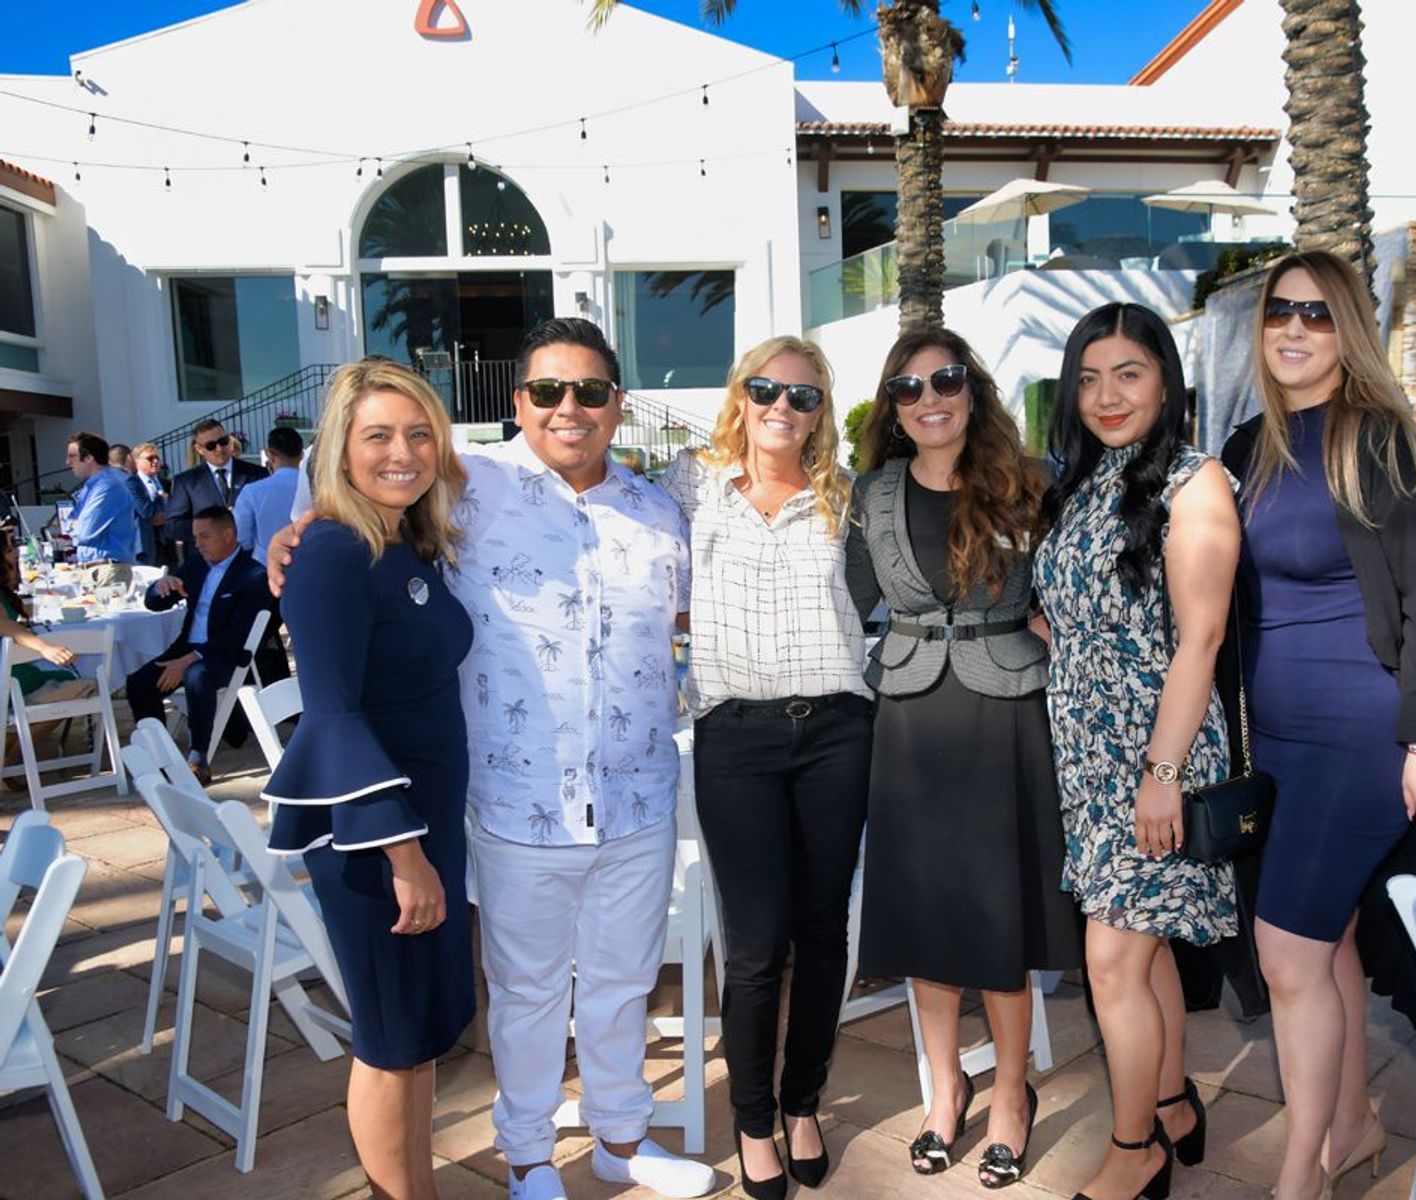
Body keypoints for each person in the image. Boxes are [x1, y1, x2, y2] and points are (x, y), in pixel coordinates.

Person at [272, 318, 711, 1200]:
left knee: (625, 981)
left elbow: (692, 619)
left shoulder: (659, 510)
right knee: (525, 990)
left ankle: (622, 1139)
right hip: (517, 800)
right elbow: (356, 496)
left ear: (618, 403)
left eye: (590, 390)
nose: (568, 408)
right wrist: (297, 531)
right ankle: (530, 1157)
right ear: (519, 402)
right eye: (547, 390)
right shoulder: (467, 488)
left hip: (637, 795)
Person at [1220, 250, 1416, 1200]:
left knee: (1286, 952)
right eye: (1281, 311)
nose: (1294, 328)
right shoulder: (1249, 446)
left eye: (1318, 314)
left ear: (1349, 328)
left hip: (1362, 732)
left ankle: (1299, 1179)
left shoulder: (1381, 441)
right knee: (1330, 940)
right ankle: (1354, 1123)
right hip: (1277, 738)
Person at [846, 328, 1082, 1189]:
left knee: (999, 916)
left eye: (944, 380)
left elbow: (1075, 588)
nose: (929, 399)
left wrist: (1059, 629)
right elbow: (849, 601)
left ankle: (1011, 1093)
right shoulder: (871, 494)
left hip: (1005, 714)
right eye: (908, 388)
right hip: (909, 721)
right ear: (892, 407)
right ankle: (947, 1089)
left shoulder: (1030, 484)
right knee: (925, 919)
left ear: (972, 389)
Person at [1034, 302, 1240, 1200]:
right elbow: (1081, 613)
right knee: (1142, 953)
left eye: (1128, 373)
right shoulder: (1081, 483)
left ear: (1165, 381)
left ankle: (1133, 1150)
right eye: (1088, 378)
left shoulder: (1197, 483)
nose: (1106, 395)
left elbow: (1201, 639)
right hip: (1087, 754)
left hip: (1159, 750)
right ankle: (1173, 1105)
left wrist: (1161, 775)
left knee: (1113, 961)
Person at [658, 336, 869, 1200]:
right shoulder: (690, 484)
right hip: (736, 737)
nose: (783, 407)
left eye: (803, 396)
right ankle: (752, 1122)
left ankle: (803, 1102)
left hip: (838, 732)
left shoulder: (847, 495)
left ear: (821, 413)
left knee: (823, 931)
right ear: (741, 396)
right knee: (752, 945)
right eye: (766, 389)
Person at [263, 360, 474, 1200]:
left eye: (420, 434)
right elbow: (333, 716)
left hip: (425, 828)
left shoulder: (404, 540)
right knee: (389, 1042)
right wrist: (404, 856)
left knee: (418, 1038)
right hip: (378, 839)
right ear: (340, 449)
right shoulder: (332, 552)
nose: (402, 453)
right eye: (378, 435)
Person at [124, 506, 271, 784]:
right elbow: (155, 604)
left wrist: (189, 659)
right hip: (186, 647)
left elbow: (237, 636)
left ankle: (198, 758)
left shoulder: (253, 575)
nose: (198, 544)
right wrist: (160, 586)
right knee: (139, 683)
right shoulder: (196, 564)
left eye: (205, 537)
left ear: (228, 535)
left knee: (196, 675)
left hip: (225, 654)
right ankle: (159, 756)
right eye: (195, 537)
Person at [0, 529, 99, 788]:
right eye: (9, 549)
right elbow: (6, 626)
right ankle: (14, 756)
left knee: (67, 679)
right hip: (11, 683)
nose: (16, 553)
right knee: (86, 685)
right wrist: (44, 648)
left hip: (14, 677)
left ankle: (11, 746)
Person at [165, 418, 268, 558]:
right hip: (206, 560)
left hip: (250, 557)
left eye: (223, 441)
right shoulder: (186, 481)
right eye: (211, 445)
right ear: (199, 449)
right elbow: (172, 527)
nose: (219, 449)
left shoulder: (257, 473)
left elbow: (269, 515)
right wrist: (210, 527)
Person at [63, 432, 139, 585]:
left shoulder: (107, 487)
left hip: (108, 570)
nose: (67, 462)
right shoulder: (91, 487)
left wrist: (74, 526)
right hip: (96, 569)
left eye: (72, 456)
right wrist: (74, 526)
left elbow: (85, 531)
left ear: (89, 458)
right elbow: (68, 524)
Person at [234, 426, 305, 565]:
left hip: (264, 564)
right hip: (308, 563)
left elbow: (242, 537)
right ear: (302, 455)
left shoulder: (252, 491)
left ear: (270, 456)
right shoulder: (317, 490)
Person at [130, 442, 172, 566]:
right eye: (150, 458)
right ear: (137, 462)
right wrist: (160, 497)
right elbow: (147, 513)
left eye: (157, 458)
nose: (155, 461)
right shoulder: (132, 483)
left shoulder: (167, 483)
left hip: (169, 546)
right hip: (146, 546)